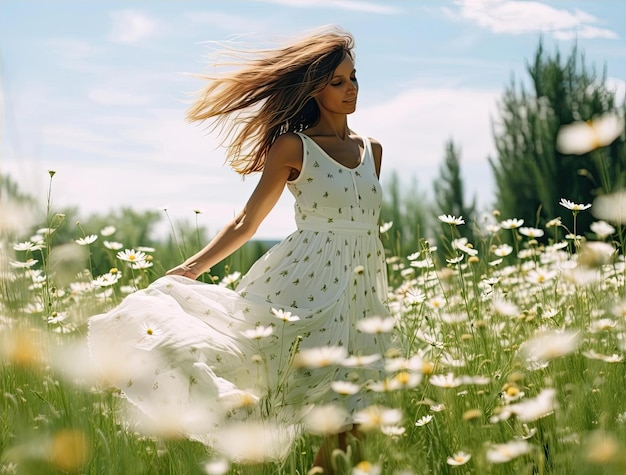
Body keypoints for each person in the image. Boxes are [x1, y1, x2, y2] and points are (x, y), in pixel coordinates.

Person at [88, 26, 391, 473]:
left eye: (353, 78)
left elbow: (364, 229)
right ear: (314, 89)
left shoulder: (374, 151)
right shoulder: (293, 147)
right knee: (321, 409)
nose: (351, 90)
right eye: (337, 82)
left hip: (364, 289)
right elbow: (247, 222)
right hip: (308, 286)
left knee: (358, 422)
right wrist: (188, 270)